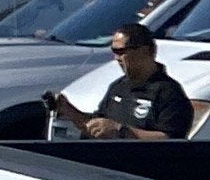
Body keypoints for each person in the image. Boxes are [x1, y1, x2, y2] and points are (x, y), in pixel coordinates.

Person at [50, 23, 193, 142]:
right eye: (114, 51)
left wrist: (121, 131)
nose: (116, 58)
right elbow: (98, 128)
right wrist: (69, 111)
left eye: (121, 51)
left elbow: (171, 140)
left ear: (144, 51)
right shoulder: (118, 87)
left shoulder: (168, 92)